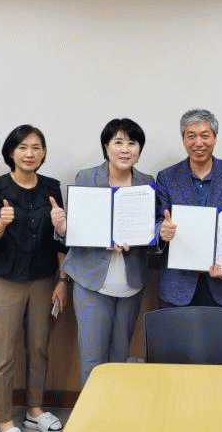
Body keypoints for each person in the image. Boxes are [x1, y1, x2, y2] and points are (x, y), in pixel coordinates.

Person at [0, 125, 67, 432]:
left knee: (39, 348)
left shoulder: (51, 187)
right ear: (11, 152)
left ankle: (34, 410)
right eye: (23, 147)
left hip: (43, 279)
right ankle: (3, 420)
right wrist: (0, 224)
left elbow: (60, 240)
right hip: (5, 280)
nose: (30, 154)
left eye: (36, 147)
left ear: (43, 153)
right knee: (3, 354)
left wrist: (62, 279)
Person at [50, 118, 154, 385]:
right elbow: (74, 230)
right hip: (91, 281)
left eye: (132, 143)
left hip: (130, 283)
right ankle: (91, 412)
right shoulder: (87, 178)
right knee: (92, 360)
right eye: (118, 142)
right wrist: (62, 228)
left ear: (139, 150)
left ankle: (115, 410)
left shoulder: (146, 182)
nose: (125, 149)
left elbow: (150, 228)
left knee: (119, 359)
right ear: (106, 147)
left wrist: (154, 233)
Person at [156, 109, 222, 308]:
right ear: (183, 139)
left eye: (205, 136)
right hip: (178, 286)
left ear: (214, 137)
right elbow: (157, 221)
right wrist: (161, 231)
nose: (198, 143)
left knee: (220, 331)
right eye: (191, 136)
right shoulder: (167, 177)